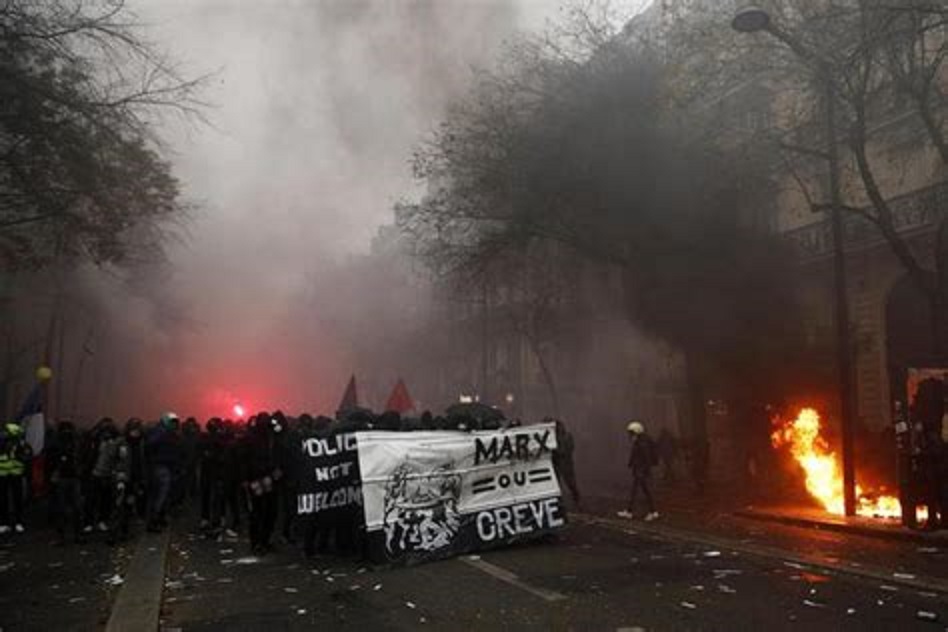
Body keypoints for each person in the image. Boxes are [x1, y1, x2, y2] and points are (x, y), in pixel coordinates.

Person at [241, 413, 281, 555]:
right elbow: (244, 460)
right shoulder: (251, 438)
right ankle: (257, 543)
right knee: (258, 512)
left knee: (270, 511)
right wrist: (245, 479)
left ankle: (263, 541)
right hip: (257, 479)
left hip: (268, 478)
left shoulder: (271, 437)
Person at [47, 421, 84, 544]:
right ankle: (68, 535)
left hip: (69, 477)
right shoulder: (67, 442)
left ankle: (68, 535)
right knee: (66, 508)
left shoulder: (73, 442)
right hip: (66, 478)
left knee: (71, 508)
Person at [146, 412, 183, 532]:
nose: (174, 425)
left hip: (168, 466)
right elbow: (150, 445)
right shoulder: (160, 432)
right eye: (172, 422)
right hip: (161, 466)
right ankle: (154, 521)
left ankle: (159, 518)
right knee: (160, 495)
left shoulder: (170, 433)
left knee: (164, 495)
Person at [617, 421, 659, 521]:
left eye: (631, 433)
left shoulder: (641, 442)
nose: (629, 435)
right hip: (640, 470)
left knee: (641, 492)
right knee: (641, 491)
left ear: (636, 432)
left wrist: (644, 470)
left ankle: (650, 512)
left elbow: (645, 457)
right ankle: (635, 511)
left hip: (640, 470)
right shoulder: (641, 440)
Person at [0, 422, 32, 533]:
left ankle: (19, 522)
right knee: (3, 500)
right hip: (3, 476)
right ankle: (4, 523)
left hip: (16, 475)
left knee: (18, 500)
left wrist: (21, 454)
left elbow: (28, 457)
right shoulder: (2, 444)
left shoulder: (22, 445)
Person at [551, 419, 581, 508]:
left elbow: (568, 449)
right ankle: (560, 502)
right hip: (558, 463)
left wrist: (557, 451)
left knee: (570, 483)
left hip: (565, 463)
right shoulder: (554, 437)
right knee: (558, 484)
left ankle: (576, 499)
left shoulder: (567, 436)